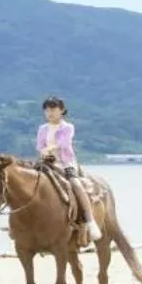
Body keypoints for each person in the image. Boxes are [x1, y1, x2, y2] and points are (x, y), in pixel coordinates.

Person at [37, 97, 101, 244]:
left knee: (76, 184)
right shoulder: (42, 129)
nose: (49, 113)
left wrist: (49, 149)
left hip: (65, 163)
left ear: (62, 110)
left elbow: (63, 144)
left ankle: (90, 221)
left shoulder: (67, 127)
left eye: (53, 109)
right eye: (46, 110)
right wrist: (43, 152)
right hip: (47, 163)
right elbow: (39, 146)